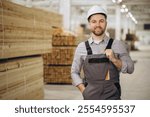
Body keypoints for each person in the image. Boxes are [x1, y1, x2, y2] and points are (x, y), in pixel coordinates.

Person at [71, 5, 134, 100]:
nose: (98, 24)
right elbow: (74, 72)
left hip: (113, 99)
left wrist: (114, 60)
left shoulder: (117, 44)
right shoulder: (82, 47)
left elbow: (130, 68)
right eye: (94, 21)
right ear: (89, 24)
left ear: (106, 23)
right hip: (90, 99)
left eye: (101, 21)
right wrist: (84, 91)